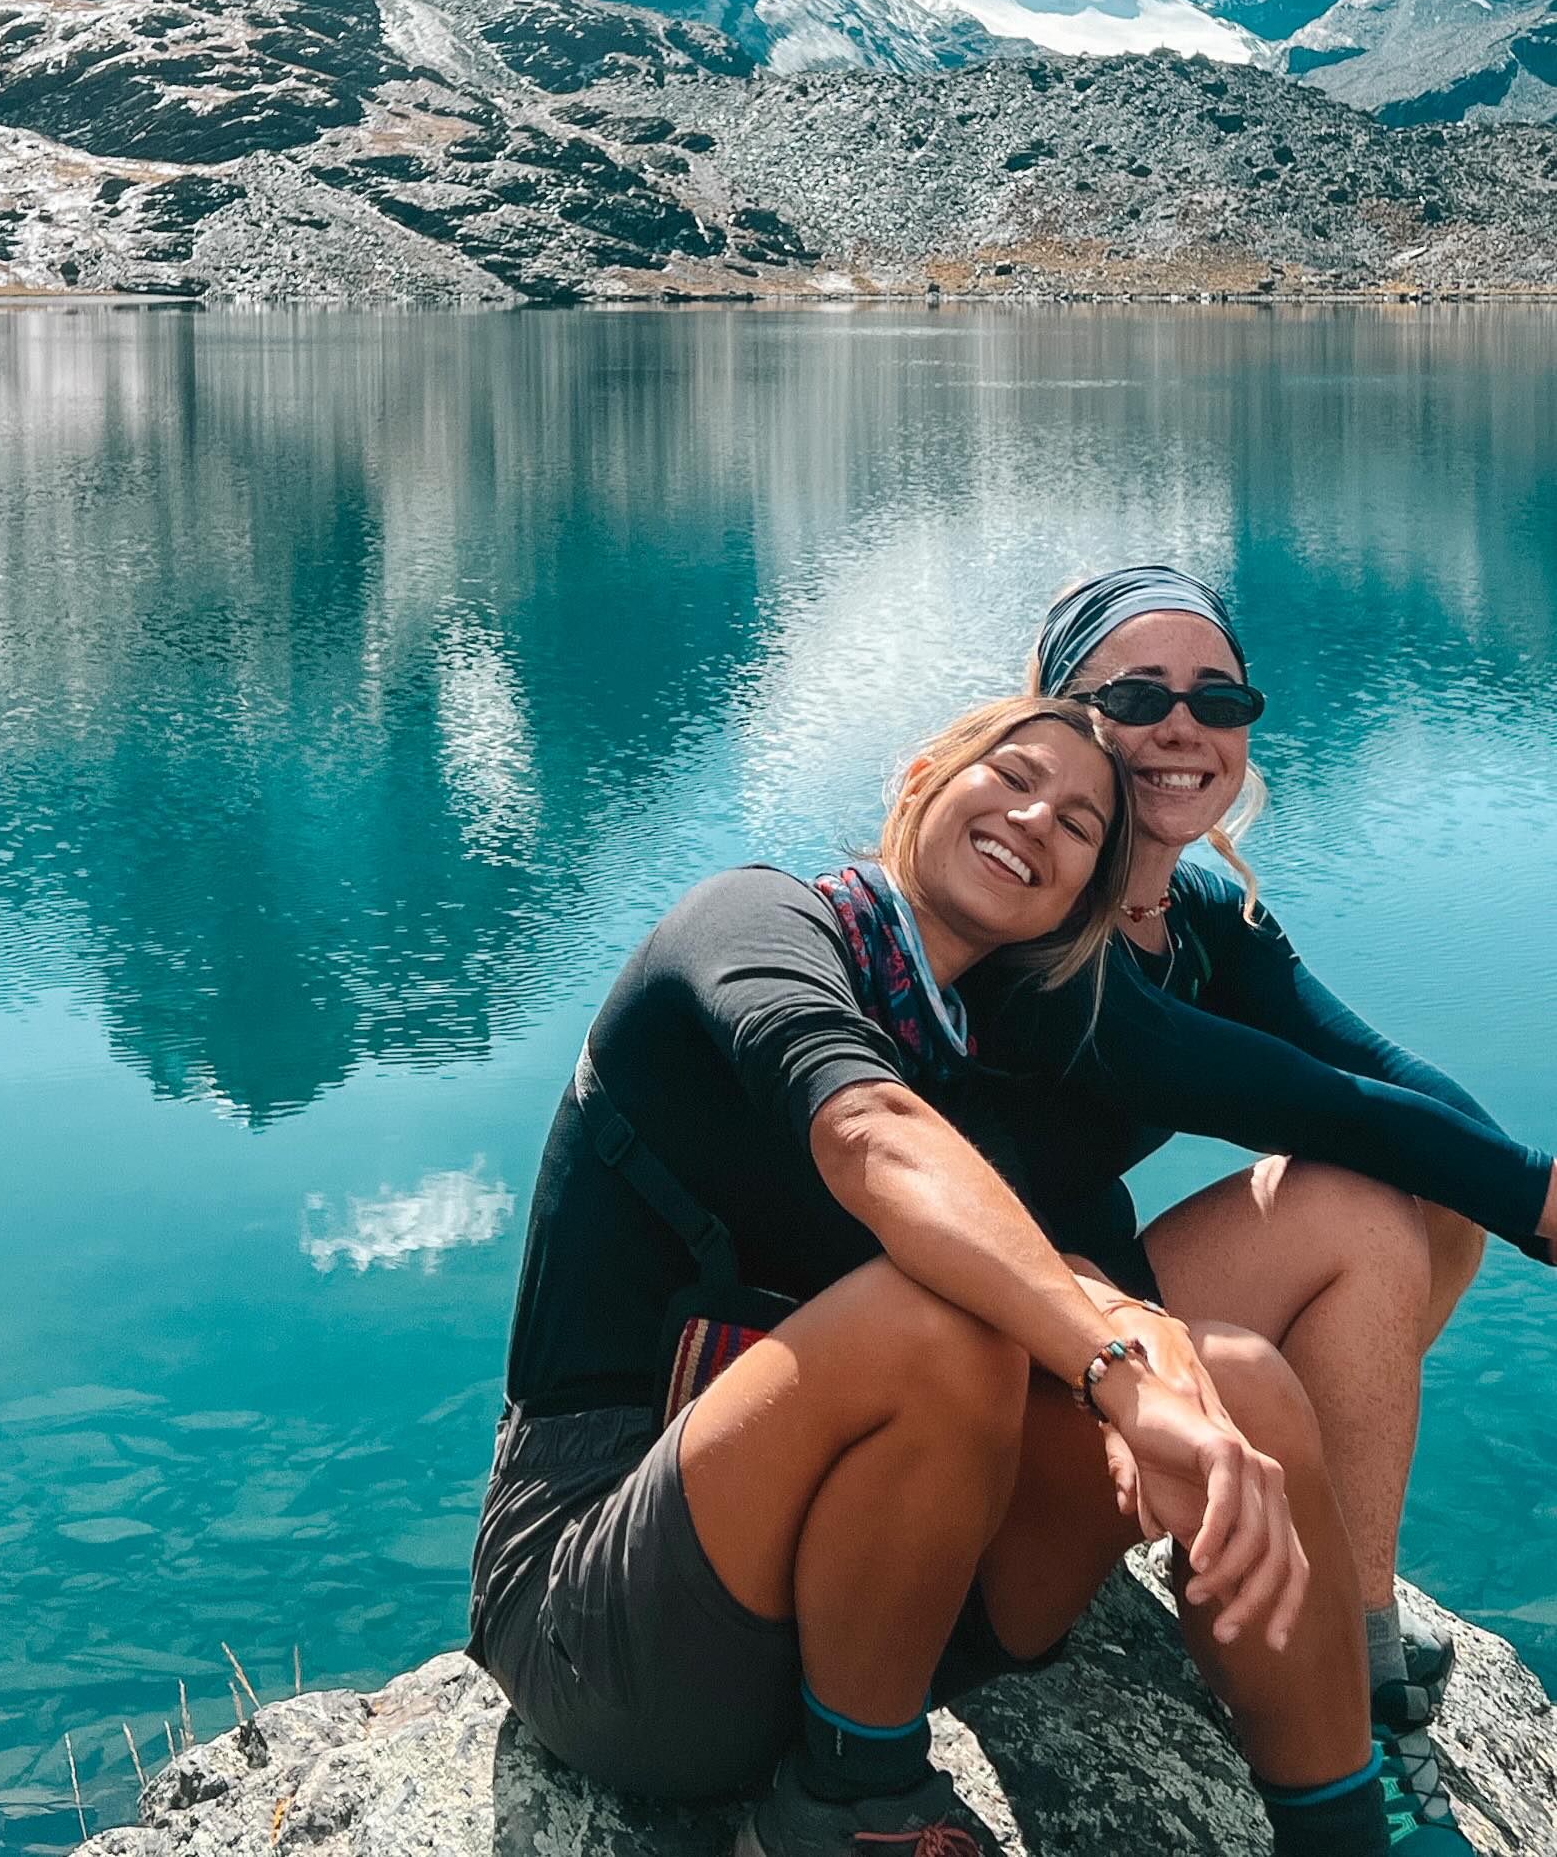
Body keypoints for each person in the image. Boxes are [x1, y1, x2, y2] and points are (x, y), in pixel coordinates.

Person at [469, 692, 1457, 1857]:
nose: (1036, 818)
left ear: (1080, 896)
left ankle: (1344, 1827)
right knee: (938, 1320)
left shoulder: (978, 1057)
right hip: (607, 1615)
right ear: (919, 779)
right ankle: (856, 1803)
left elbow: (1056, 1257)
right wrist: (1118, 1372)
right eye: (1013, 775)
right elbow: (873, 1136)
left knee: (1232, 1379)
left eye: (1080, 824)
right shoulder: (756, 921)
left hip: (876, 1606)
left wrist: (1157, 1352)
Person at [962, 565, 1556, 1840]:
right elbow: (1312, 1103)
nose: (1183, 726)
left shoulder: (1191, 913)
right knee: (1359, 1203)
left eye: (1217, 698)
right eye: (1137, 694)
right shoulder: (1036, 937)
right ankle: (1356, 1685)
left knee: (1439, 1196)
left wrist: (1521, 1187)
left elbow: (1388, 1076)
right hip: (991, 1384)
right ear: (1061, 715)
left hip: (1085, 1324)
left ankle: (1333, 1596)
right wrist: (1540, 1202)